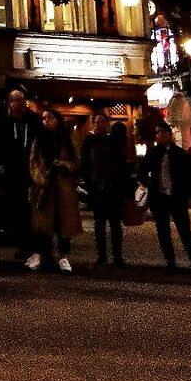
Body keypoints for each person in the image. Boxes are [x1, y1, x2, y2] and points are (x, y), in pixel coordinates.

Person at [140, 120, 191, 272]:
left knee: (184, 229)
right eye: (157, 133)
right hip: (160, 197)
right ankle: (170, 260)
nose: (160, 135)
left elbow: (188, 175)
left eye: (162, 132)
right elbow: (141, 171)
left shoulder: (179, 153)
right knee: (163, 230)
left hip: (177, 197)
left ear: (169, 134)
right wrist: (149, 183)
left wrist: (188, 194)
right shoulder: (153, 154)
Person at [0, 88, 46, 268]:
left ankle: (35, 246)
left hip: (30, 168)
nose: (17, 103)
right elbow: (1, 144)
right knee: (18, 209)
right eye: (14, 100)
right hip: (13, 169)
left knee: (32, 209)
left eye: (20, 100)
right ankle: (23, 244)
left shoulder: (33, 121)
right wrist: (1, 165)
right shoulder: (7, 123)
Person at [30, 108, 84, 273]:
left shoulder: (67, 139)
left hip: (63, 187)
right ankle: (41, 255)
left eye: (50, 117)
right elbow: (33, 161)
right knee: (42, 224)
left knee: (63, 224)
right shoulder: (39, 139)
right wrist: (41, 178)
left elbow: (77, 163)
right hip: (44, 186)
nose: (46, 121)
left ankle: (63, 257)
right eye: (44, 118)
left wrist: (64, 165)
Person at [80, 108, 134, 267]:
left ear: (107, 124)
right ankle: (102, 255)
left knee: (116, 224)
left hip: (113, 188)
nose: (100, 124)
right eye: (97, 122)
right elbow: (85, 165)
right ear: (93, 124)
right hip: (97, 189)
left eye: (102, 121)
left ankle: (117, 256)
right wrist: (89, 184)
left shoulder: (113, 142)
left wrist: (125, 185)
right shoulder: (89, 141)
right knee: (99, 224)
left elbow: (121, 164)